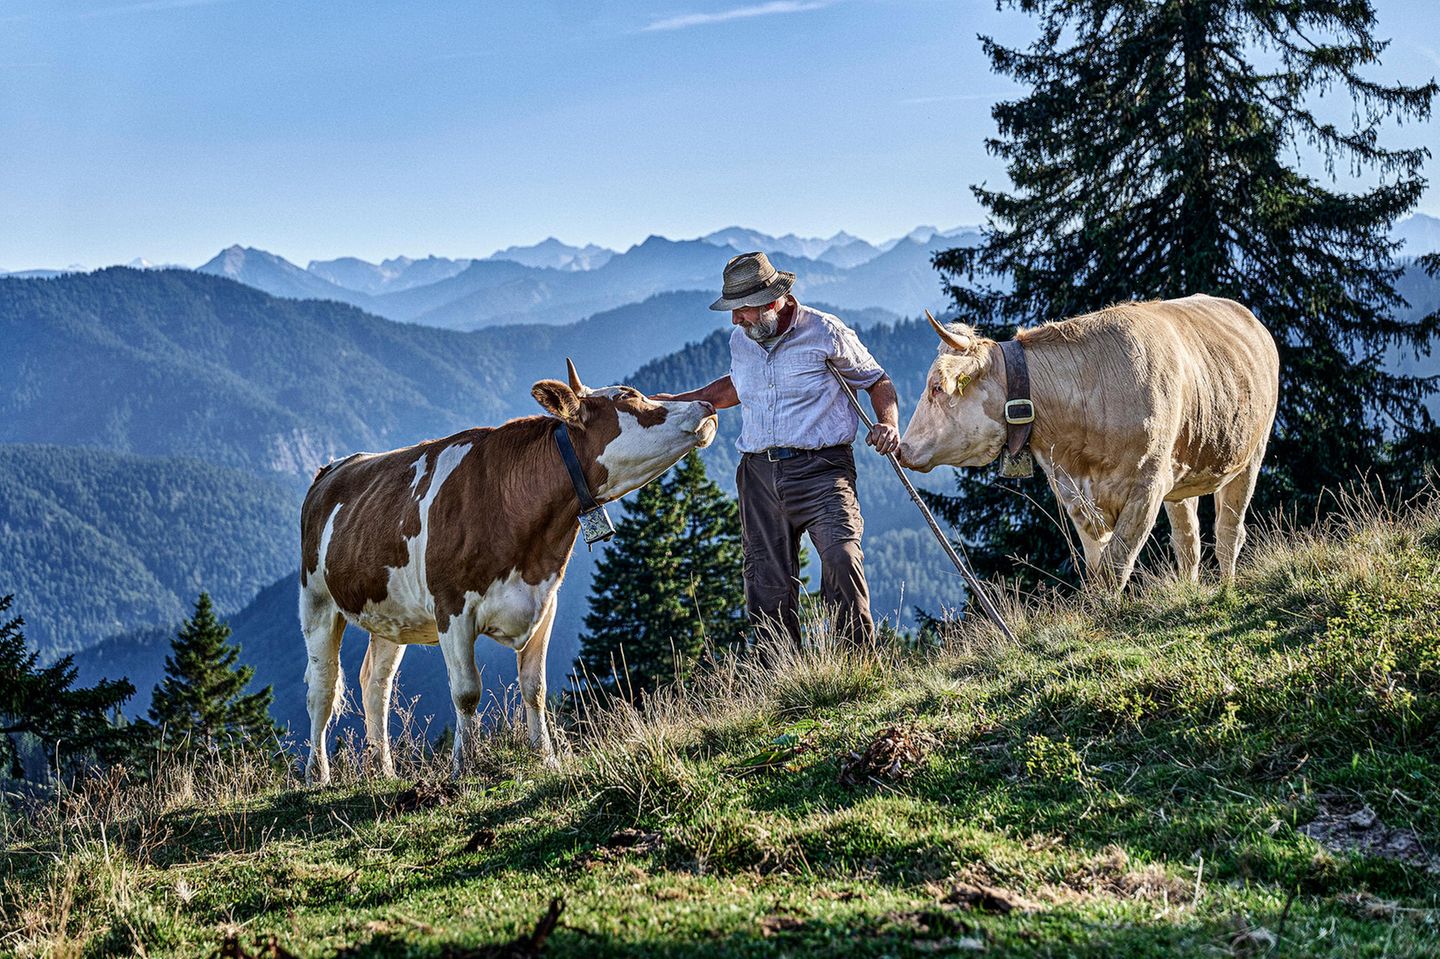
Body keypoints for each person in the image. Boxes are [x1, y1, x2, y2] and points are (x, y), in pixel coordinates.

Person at [653, 251, 900, 647]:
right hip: (759, 476)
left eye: (742, 310)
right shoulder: (743, 339)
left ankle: (856, 670)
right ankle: (781, 675)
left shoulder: (825, 332)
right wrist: (681, 403)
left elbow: (877, 380)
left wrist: (888, 424)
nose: (735, 319)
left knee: (842, 557)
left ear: (772, 301)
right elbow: (736, 386)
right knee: (765, 580)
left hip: (823, 470)